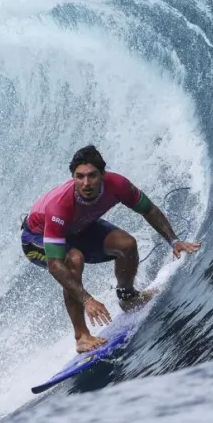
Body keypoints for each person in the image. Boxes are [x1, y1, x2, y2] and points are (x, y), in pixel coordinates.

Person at [21, 145, 201, 352]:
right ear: (73, 177)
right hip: (35, 237)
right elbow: (54, 264)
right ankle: (81, 336)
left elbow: (149, 209)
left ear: (102, 175)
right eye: (79, 177)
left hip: (78, 228)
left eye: (92, 176)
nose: (86, 183)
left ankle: (128, 298)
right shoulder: (59, 206)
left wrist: (174, 241)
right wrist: (87, 299)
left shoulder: (117, 184)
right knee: (74, 260)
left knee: (127, 244)